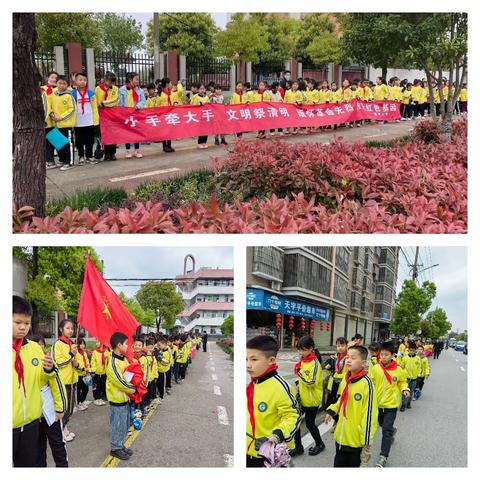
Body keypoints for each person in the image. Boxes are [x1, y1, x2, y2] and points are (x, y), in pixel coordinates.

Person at [13, 297, 67, 467]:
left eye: (27, 323)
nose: (23, 327)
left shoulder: (35, 349)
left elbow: (41, 381)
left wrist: (48, 370)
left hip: (31, 423)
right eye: (17, 322)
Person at [246, 335, 300, 467]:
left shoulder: (280, 387)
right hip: (248, 449)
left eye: (254, 360)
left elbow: (293, 416)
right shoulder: (254, 383)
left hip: (268, 454)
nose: (248, 365)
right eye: (246, 359)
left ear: (271, 360)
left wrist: (277, 435)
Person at [324, 345, 378, 468]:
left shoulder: (367, 384)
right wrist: (331, 411)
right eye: (347, 357)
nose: (348, 360)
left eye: (353, 358)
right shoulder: (346, 379)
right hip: (341, 438)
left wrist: (366, 441)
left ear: (363, 363)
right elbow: (341, 401)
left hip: (356, 441)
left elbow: (370, 414)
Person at [370, 341, 410, 468]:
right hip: (377, 405)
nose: (383, 357)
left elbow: (403, 382)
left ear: (393, 355)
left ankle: (383, 457)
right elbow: (371, 382)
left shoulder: (398, 370)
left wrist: (405, 389)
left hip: (391, 406)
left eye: (386, 355)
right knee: (383, 425)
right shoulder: (375, 368)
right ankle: (392, 430)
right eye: (381, 354)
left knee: (385, 431)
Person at [290, 336, 326, 457]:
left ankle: (320, 444)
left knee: (310, 424)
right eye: (300, 350)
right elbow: (299, 379)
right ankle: (298, 447)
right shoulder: (303, 360)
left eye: (304, 350)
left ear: (311, 349)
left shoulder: (315, 363)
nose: (301, 352)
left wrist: (299, 373)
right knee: (296, 422)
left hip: (311, 400)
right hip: (302, 398)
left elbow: (311, 382)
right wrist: (297, 381)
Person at [106, 332, 137, 461]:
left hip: (125, 399)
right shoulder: (112, 362)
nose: (127, 345)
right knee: (117, 425)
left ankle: (120, 445)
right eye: (125, 343)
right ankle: (115, 448)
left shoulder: (123, 359)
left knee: (124, 425)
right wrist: (134, 389)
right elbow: (120, 381)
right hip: (117, 399)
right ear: (119, 345)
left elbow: (129, 374)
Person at [52, 319, 78, 441]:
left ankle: (64, 428)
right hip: (63, 381)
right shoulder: (58, 344)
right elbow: (58, 363)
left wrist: (76, 363)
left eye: (72, 328)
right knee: (63, 409)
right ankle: (60, 432)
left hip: (72, 380)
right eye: (68, 328)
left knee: (70, 409)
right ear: (61, 329)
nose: (70, 330)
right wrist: (71, 355)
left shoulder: (72, 343)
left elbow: (72, 362)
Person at [48, 75, 76, 170]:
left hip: (66, 125)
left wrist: (61, 117)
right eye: (60, 83)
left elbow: (72, 109)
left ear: (67, 85)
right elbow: (49, 107)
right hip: (56, 125)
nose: (62, 85)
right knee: (59, 144)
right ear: (56, 83)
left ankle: (69, 162)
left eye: (64, 83)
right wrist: (52, 115)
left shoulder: (69, 96)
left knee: (68, 144)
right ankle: (63, 160)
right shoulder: (52, 95)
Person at [72, 72, 99, 166]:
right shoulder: (73, 93)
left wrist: (96, 120)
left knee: (90, 140)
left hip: (89, 121)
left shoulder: (91, 93)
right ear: (75, 81)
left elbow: (95, 107)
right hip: (78, 122)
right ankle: (81, 156)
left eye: (84, 80)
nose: (82, 82)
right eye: (80, 80)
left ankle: (89, 156)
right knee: (79, 140)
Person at [119, 71, 146, 158]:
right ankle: (128, 151)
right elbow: (120, 102)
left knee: (136, 131)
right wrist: (123, 111)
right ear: (130, 79)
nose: (138, 81)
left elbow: (143, 101)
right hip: (126, 114)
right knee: (127, 132)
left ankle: (137, 150)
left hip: (136, 113)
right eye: (136, 79)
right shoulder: (122, 90)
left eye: (138, 79)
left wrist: (138, 106)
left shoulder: (140, 90)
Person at [95, 72, 120, 160]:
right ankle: (106, 153)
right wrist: (99, 106)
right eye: (109, 81)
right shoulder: (98, 89)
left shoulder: (115, 89)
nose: (110, 84)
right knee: (104, 134)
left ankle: (112, 153)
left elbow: (116, 100)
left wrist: (104, 104)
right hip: (102, 115)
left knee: (112, 134)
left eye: (112, 82)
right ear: (105, 79)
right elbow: (96, 101)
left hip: (112, 114)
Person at [325, 337, 348, 407]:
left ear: (346, 346)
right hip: (333, 381)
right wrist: (328, 367)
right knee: (330, 400)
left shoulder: (349, 358)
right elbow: (329, 368)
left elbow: (349, 372)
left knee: (338, 401)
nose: (340, 348)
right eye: (338, 346)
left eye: (342, 346)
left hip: (342, 382)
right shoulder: (334, 357)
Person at [399, 341, 421, 411]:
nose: (411, 352)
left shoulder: (417, 358)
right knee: (405, 392)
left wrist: (418, 375)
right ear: (408, 350)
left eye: (413, 350)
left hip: (414, 379)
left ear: (415, 350)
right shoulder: (405, 358)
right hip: (406, 379)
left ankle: (409, 403)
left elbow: (419, 368)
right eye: (410, 350)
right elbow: (401, 367)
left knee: (411, 392)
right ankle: (403, 405)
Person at [157, 77, 177, 153]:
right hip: (163, 115)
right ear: (167, 84)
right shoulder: (161, 94)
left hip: (170, 114)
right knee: (164, 131)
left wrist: (175, 104)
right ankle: (164, 146)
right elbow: (157, 105)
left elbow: (174, 101)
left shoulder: (171, 93)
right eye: (171, 83)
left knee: (170, 131)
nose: (171, 84)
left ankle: (169, 145)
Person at [191, 83, 210, 148]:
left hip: (206, 115)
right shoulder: (196, 97)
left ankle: (204, 142)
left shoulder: (207, 97)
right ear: (198, 90)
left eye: (203, 89)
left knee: (206, 130)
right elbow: (193, 105)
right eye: (200, 89)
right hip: (199, 116)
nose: (202, 90)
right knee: (201, 130)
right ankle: (199, 143)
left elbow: (209, 105)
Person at [91, 340, 109, 406]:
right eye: (96, 342)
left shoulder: (106, 351)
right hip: (97, 373)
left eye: (98, 342)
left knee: (103, 385)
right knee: (96, 386)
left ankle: (101, 398)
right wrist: (93, 371)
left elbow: (109, 361)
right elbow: (93, 362)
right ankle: (96, 398)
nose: (96, 343)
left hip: (104, 372)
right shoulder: (95, 352)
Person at [75, 337, 91, 411]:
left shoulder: (84, 353)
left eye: (83, 344)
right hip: (78, 375)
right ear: (77, 344)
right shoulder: (76, 352)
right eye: (80, 344)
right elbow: (75, 363)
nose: (82, 345)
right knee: (78, 390)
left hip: (84, 374)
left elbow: (87, 361)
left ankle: (82, 401)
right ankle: (78, 403)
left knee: (86, 389)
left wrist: (88, 368)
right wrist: (82, 368)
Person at [155, 336, 170, 403]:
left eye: (159, 345)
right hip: (158, 370)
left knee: (162, 384)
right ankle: (159, 394)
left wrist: (160, 359)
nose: (158, 346)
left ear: (164, 344)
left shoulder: (167, 352)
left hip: (163, 371)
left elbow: (167, 362)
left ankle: (162, 396)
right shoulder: (161, 350)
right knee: (158, 383)